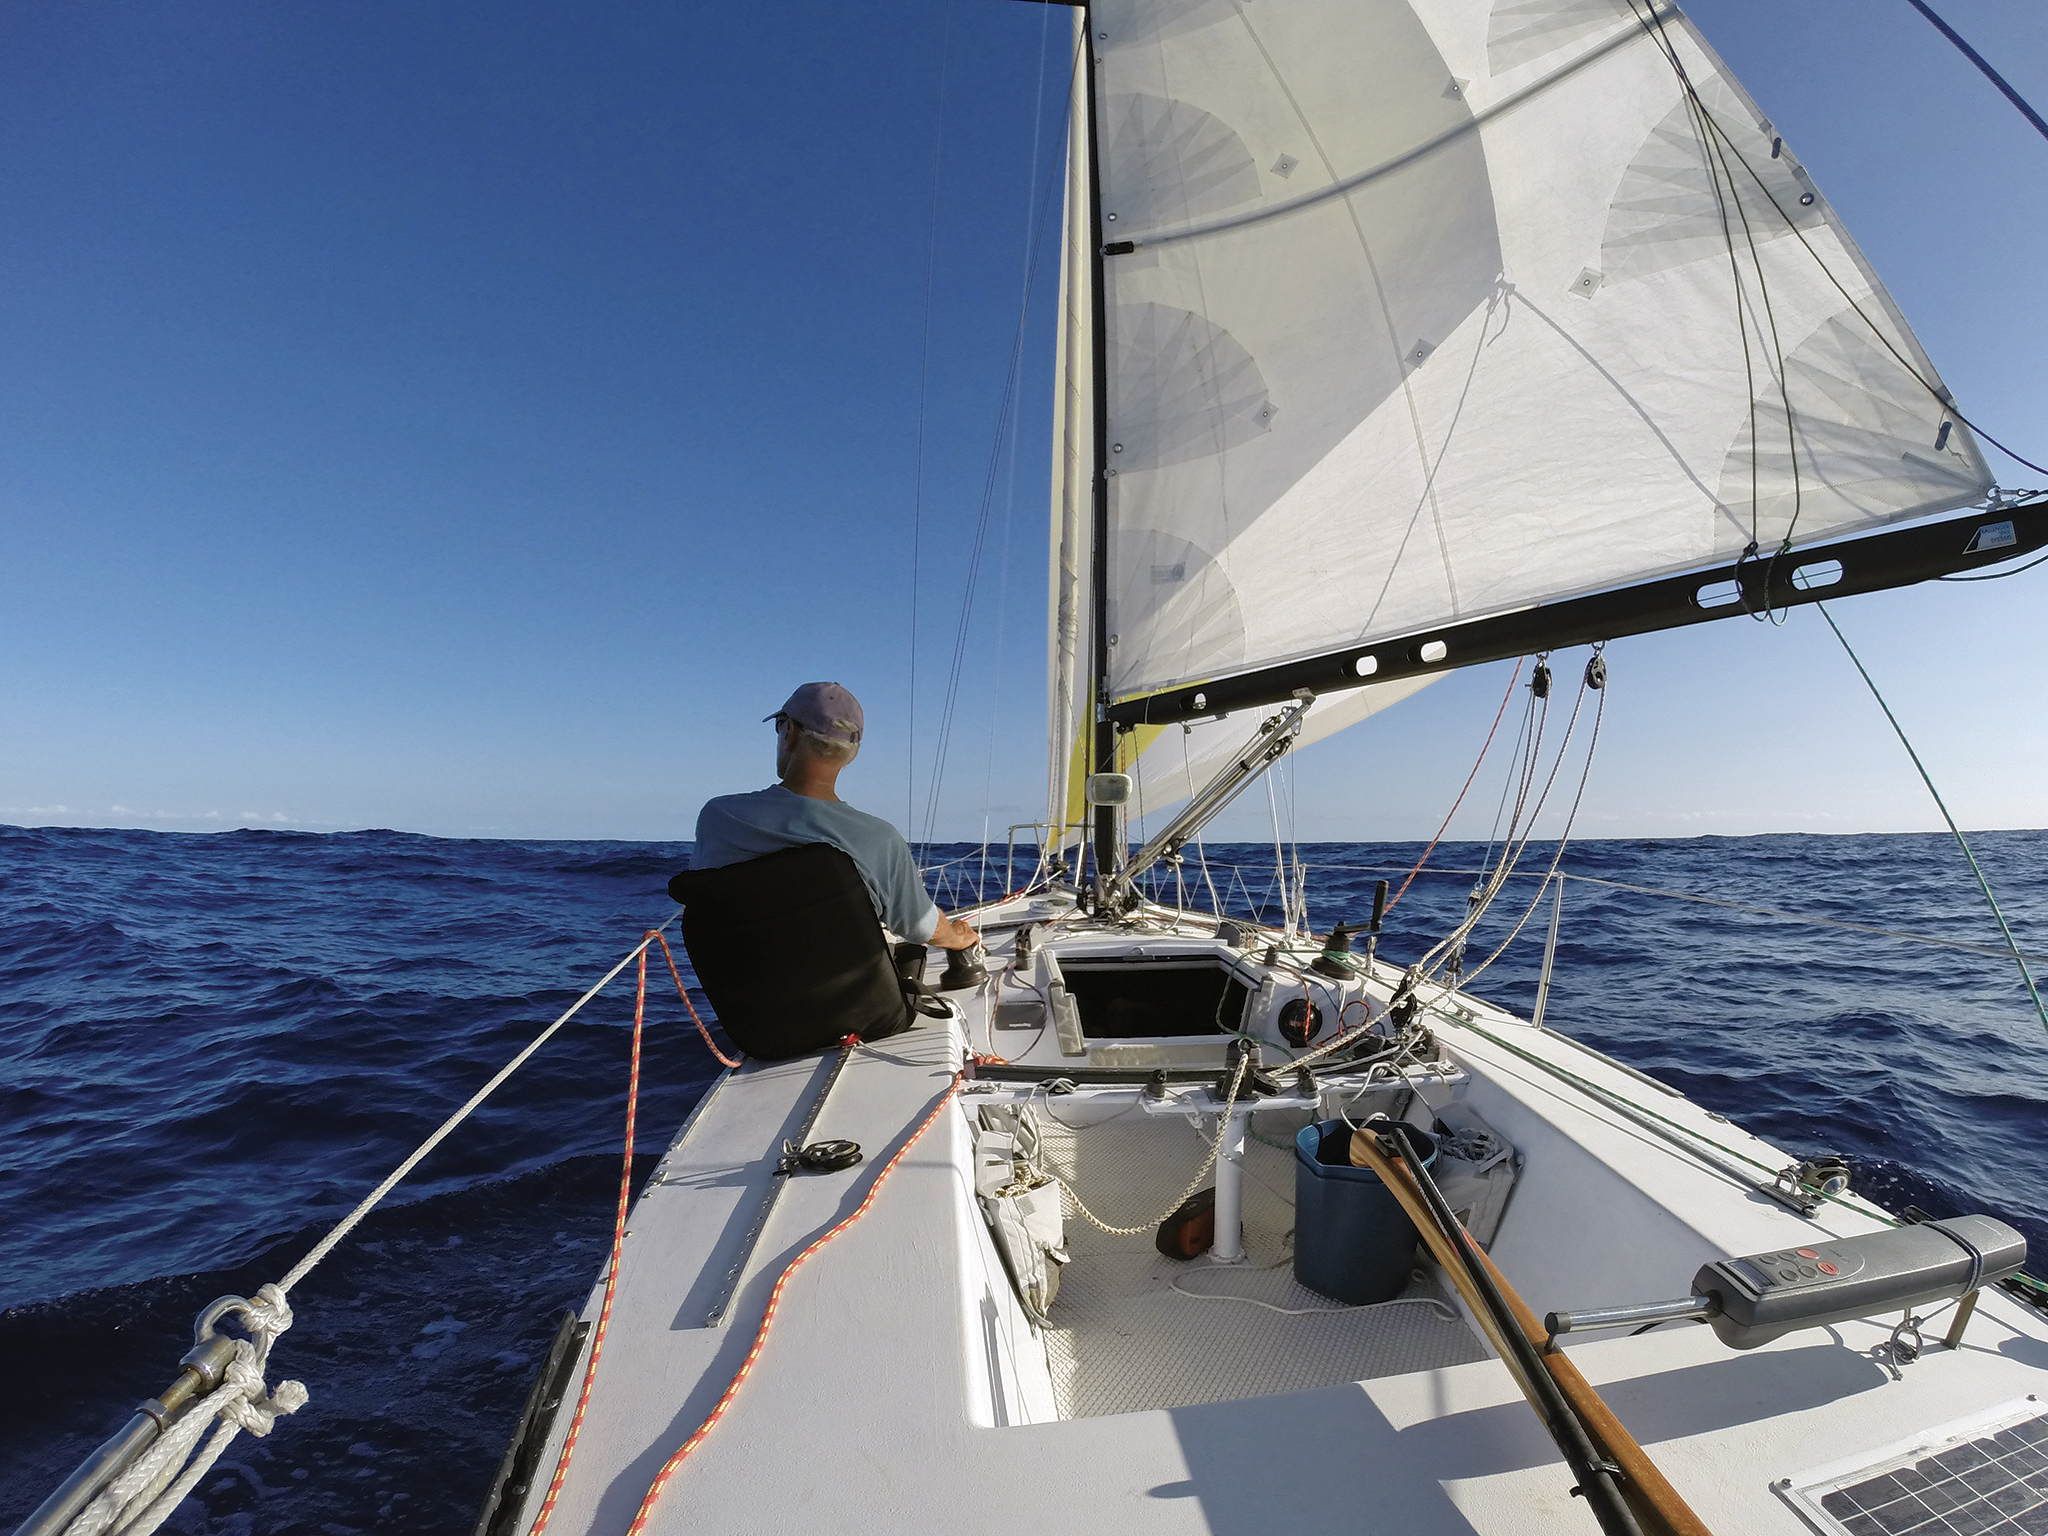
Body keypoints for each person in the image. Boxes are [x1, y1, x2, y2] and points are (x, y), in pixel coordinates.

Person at [692, 682, 981, 951]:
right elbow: (922, 926)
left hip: (741, 987)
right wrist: (957, 937)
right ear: (852, 752)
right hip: (849, 990)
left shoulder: (719, 818)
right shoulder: (879, 840)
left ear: (790, 732)